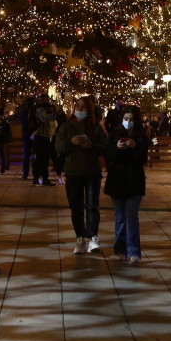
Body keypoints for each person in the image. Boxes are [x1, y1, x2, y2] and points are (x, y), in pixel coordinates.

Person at [55, 95, 108, 254]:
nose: (79, 110)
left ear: (89, 109)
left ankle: (93, 238)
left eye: (83, 107)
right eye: (77, 106)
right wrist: (71, 142)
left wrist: (92, 145)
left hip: (92, 171)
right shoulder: (66, 126)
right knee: (76, 207)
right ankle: (80, 237)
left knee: (92, 206)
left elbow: (105, 146)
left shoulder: (95, 127)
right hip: (72, 172)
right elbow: (58, 147)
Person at [104, 105, 148, 263]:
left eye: (131, 119)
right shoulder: (115, 134)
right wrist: (117, 148)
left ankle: (134, 251)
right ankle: (120, 249)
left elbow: (143, 159)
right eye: (126, 119)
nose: (128, 122)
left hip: (134, 181)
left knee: (131, 216)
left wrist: (135, 148)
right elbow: (108, 155)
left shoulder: (141, 137)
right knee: (120, 217)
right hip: (117, 181)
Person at [32, 94, 57, 186]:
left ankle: (40, 178)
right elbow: (44, 119)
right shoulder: (40, 109)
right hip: (41, 136)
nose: (47, 101)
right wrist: (55, 113)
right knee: (42, 158)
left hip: (44, 136)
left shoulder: (41, 108)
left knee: (43, 158)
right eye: (45, 99)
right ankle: (41, 178)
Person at [19, 96, 35, 180]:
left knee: (26, 155)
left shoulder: (23, 112)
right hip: (34, 135)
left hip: (26, 135)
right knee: (35, 155)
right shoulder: (34, 112)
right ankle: (35, 173)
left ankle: (25, 174)